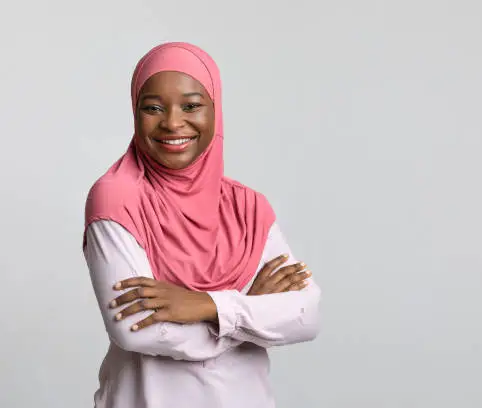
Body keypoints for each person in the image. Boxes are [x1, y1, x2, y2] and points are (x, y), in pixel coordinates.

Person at [82, 42, 321, 408]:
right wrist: (248, 312)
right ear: (135, 111)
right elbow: (135, 330)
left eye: (191, 105)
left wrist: (207, 305)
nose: (173, 123)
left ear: (216, 110)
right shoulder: (116, 199)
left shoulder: (248, 208)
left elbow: (305, 316)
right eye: (153, 108)